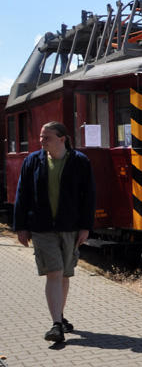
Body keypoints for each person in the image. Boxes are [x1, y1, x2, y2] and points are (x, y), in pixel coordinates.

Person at [13, 121, 97, 344]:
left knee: (65, 274)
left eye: (47, 137)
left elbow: (89, 197)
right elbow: (22, 194)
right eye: (41, 137)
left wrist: (85, 227)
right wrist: (21, 227)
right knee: (55, 272)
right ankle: (56, 325)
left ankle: (58, 316)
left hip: (70, 227)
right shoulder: (32, 161)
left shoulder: (80, 162)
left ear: (62, 139)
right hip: (42, 228)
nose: (42, 141)